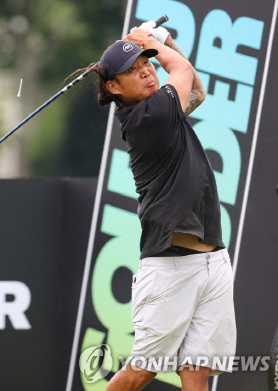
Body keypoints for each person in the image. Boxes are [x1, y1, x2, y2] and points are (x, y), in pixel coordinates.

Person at [91, 23, 236, 390]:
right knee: (142, 370)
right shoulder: (146, 117)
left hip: (212, 259)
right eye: (132, 70)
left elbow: (196, 91)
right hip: (171, 267)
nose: (145, 72)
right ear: (113, 87)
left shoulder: (165, 109)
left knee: (196, 371)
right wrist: (150, 40)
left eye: (148, 64)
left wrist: (163, 42)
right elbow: (183, 72)